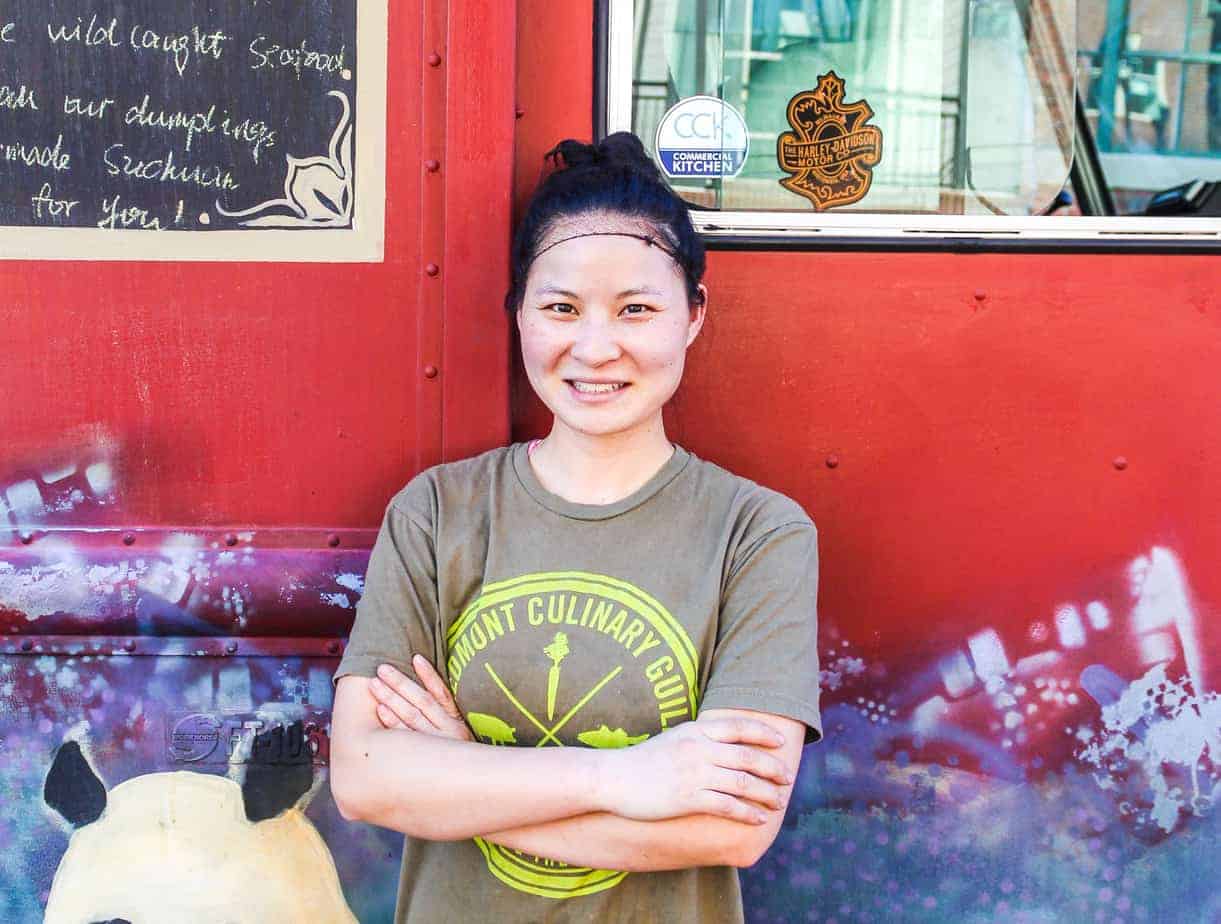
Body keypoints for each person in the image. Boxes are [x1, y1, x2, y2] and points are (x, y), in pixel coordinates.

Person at [330, 133, 821, 924]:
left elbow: (730, 826)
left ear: (693, 316)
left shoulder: (757, 533)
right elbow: (362, 779)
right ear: (518, 312)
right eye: (560, 307)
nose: (596, 348)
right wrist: (624, 779)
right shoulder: (437, 512)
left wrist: (459, 776)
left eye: (637, 309)